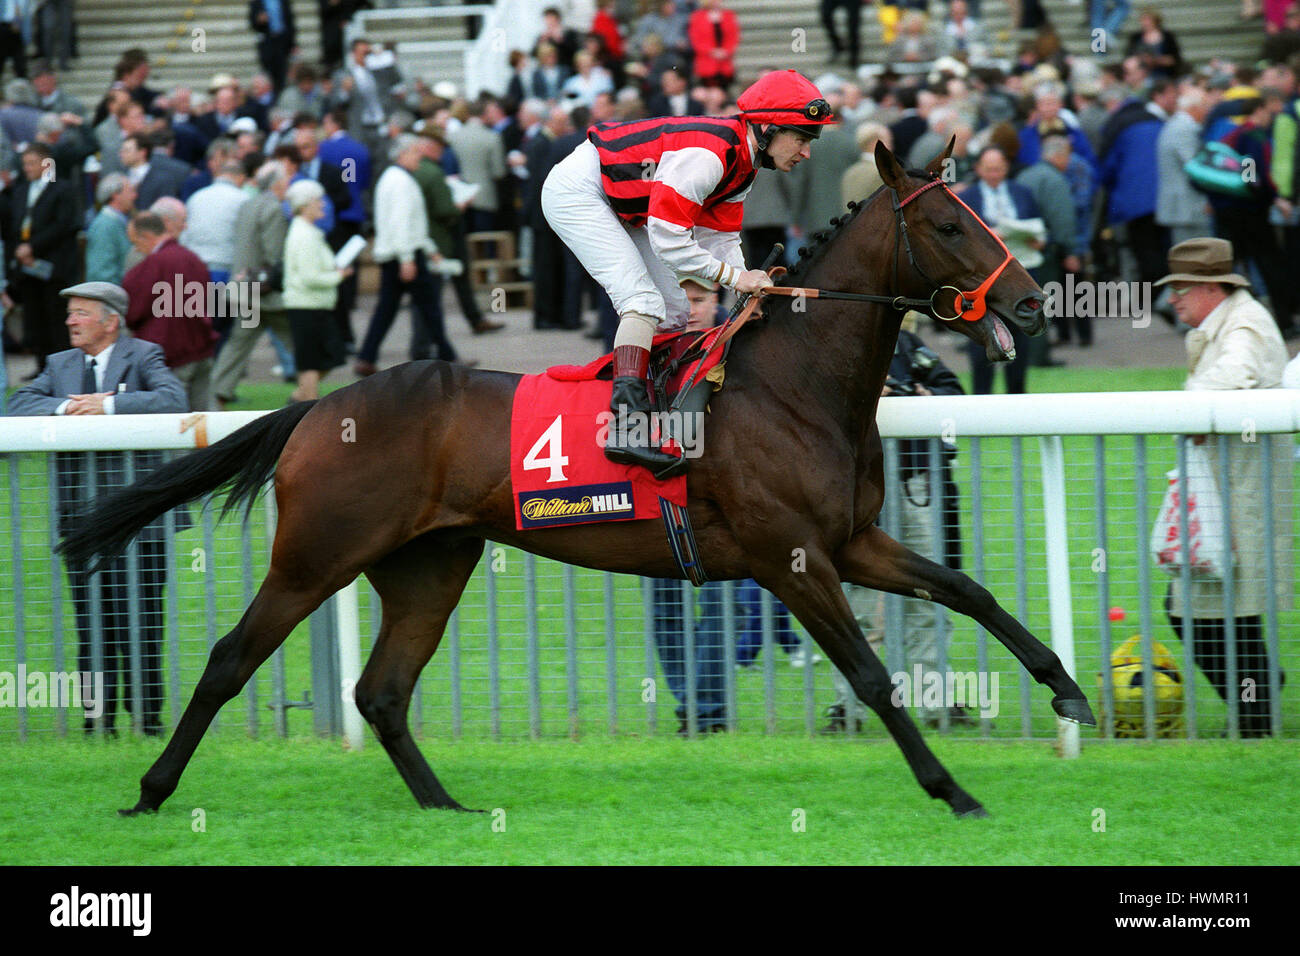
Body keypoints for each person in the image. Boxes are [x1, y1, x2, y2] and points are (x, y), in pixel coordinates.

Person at [541, 69, 835, 476]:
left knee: (676, 311)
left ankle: (664, 419)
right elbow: (669, 240)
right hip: (580, 193)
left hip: (623, 203)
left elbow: (719, 240)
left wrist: (749, 282)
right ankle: (626, 428)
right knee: (642, 301)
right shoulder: (710, 155)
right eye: (802, 138)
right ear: (767, 127)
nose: (806, 152)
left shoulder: (744, 163)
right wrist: (737, 280)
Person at [7, 281, 190, 737]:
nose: (70, 320)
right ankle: (97, 722)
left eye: (81, 313)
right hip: (82, 521)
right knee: (92, 622)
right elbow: (19, 404)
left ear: (111, 322)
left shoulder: (144, 355)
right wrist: (67, 408)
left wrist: (108, 405)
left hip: (140, 522)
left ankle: (148, 720)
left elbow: (174, 400)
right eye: (70, 312)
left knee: (144, 619)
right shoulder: (59, 365)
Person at [1157, 238, 1291, 738]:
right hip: (1226, 488)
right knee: (1219, 613)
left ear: (1212, 286)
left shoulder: (1246, 323)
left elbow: (1235, 375)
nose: (1173, 300)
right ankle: (1256, 704)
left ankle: (1255, 714)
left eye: (1182, 289)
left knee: (1216, 614)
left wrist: (1191, 409)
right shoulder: (1233, 318)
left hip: (1240, 493)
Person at [825, 316, 969, 732]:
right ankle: (847, 708)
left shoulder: (908, 347)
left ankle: (936, 700)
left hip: (909, 486)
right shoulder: (837, 346)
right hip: (852, 494)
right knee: (856, 604)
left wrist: (921, 395)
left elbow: (952, 390)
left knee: (928, 594)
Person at [353, 133, 462, 375]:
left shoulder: (394, 178)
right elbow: (402, 223)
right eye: (415, 152)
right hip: (404, 255)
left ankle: (366, 356)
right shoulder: (401, 181)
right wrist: (407, 258)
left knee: (391, 308)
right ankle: (448, 354)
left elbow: (407, 223)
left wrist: (429, 250)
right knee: (427, 307)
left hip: (400, 253)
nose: (419, 158)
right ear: (402, 154)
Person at [956, 146, 1041, 393]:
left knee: (1020, 342)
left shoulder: (1022, 193)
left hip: (1021, 277)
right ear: (979, 169)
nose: (994, 174)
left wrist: (1036, 239)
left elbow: (1038, 229)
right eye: (989, 169)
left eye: (999, 168)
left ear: (1006, 169)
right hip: (983, 284)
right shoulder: (967, 199)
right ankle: (981, 401)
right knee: (982, 342)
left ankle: (1017, 399)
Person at [212, 160, 295, 408]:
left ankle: (217, 394)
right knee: (299, 342)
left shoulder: (248, 204)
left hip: (245, 290)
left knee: (238, 344)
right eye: (287, 179)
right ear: (279, 183)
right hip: (265, 293)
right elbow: (275, 256)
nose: (289, 183)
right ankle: (308, 390)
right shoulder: (274, 209)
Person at [121, 212, 219, 411]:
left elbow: (132, 309)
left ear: (146, 237)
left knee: (174, 421)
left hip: (171, 352)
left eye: (136, 243)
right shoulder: (193, 258)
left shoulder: (155, 263)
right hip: (201, 346)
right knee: (203, 421)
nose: (136, 249)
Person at [9, 141, 79, 377]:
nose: (26, 168)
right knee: (35, 319)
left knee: (56, 320)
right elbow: (15, 226)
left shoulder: (63, 190)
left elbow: (63, 225)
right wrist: (20, 251)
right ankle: (41, 368)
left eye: (31, 163)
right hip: (28, 269)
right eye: (24, 164)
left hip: (54, 267)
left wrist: (33, 247)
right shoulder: (20, 191)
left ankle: (62, 370)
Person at [283, 179, 351, 401]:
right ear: (305, 205)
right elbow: (310, 277)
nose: (323, 204)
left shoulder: (309, 231)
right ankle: (305, 405)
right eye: (318, 200)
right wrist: (338, 276)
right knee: (312, 362)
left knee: (327, 357)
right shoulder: (304, 234)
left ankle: (299, 399)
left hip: (314, 305)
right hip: (306, 306)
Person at [84, 173, 137, 284]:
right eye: (130, 191)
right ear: (115, 195)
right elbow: (101, 273)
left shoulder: (118, 222)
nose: (135, 196)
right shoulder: (104, 226)